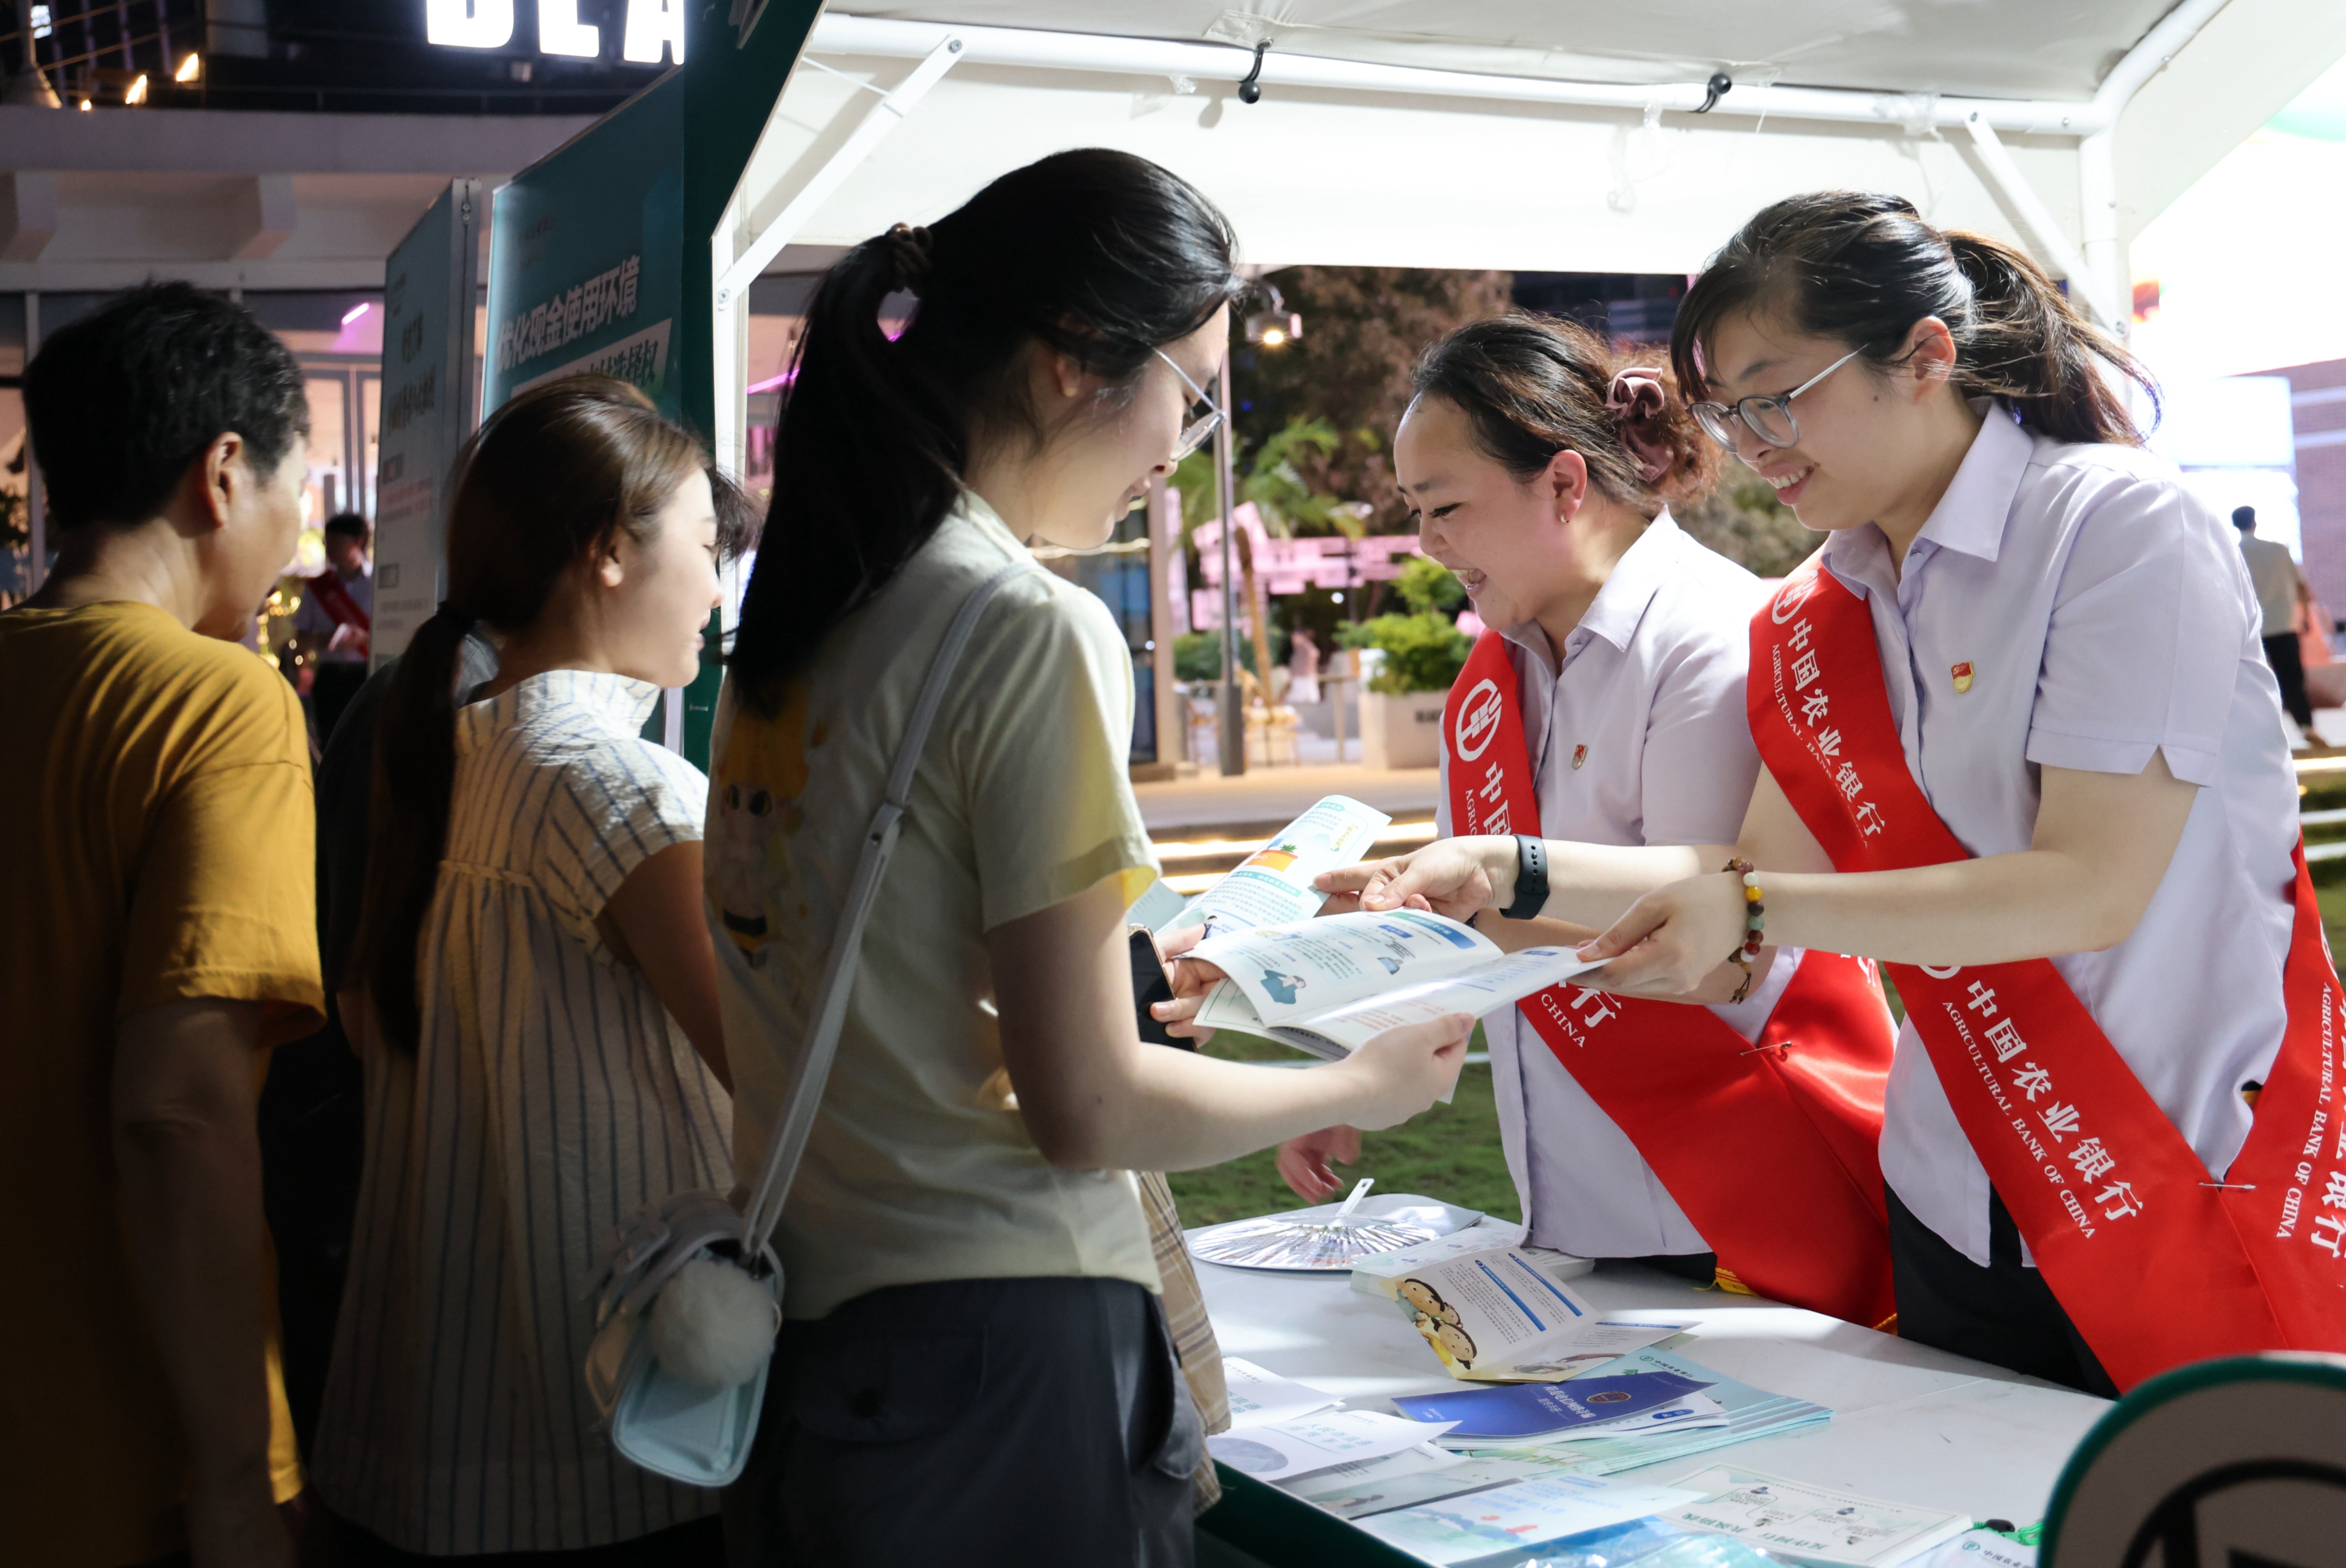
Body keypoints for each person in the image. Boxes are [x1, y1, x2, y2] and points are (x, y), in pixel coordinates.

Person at [1333, 192, 2342, 1396]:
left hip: (2180, 1166)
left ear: (1922, 355)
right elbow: (1746, 869)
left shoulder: (2114, 527)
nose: (1751, 444)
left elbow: (2086, 887)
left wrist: (1755, 911)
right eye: (1725, 409)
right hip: (1947, 1188)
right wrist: (1506, 870)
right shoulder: (1827, 601)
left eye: (1774, 395)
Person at [708, 149, 1468, 1566]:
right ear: (1074, 363)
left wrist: (1119, 979)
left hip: (820, 1341)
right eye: (1188, 390)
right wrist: (1357, 1080)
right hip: (1001, 1353)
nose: (1177, 445)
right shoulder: (1022, 628)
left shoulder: (815, 619)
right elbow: (1087, 1111)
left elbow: (875, 975)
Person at [1247, 316, 1898, 1326]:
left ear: (1563, 484)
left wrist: (1465, 906)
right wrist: (1355, 1062)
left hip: (1741, 1203)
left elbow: (1716, 952)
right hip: (1576, 1221)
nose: (1429, 545)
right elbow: (1476, 910)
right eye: (1417, 511)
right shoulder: (1494, 673)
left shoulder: (1713, 640)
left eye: (1447, 507)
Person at [320, 376, 744, 1562]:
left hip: (432, 1434)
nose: (716, 588)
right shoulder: (614, 783)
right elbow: (774, 1066)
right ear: (609, 551)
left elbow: (366, 1023)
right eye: (706, 546)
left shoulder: (454, 747)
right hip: (606, 1449)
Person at [0, 281, 319, 1568]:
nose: (291, 542)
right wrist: (240, 1475)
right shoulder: (217, 707)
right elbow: (178, 1110)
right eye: (292, 497)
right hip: (128, 1444)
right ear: (223, 473)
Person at [294, 511, 374, 741]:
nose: (329, 549)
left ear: (359, 541)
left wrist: (365, 638)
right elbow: (301, 639)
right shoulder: (319, 588)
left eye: (336, 542)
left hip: (367, 675)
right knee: (332, 743)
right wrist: (326, 640)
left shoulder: (379, 583)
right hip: (330, 679)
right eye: (326, 543)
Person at [2234, 505, 2316, 732]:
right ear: (2255, 522)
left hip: (2250, 630)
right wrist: (2306, 617)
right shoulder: (2279, 550)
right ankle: (2306, 726)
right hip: (2283, 624)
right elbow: (2302, 588)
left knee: (2250, 683)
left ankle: (2254, 731)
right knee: (2292, 679)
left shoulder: (2234, 553)